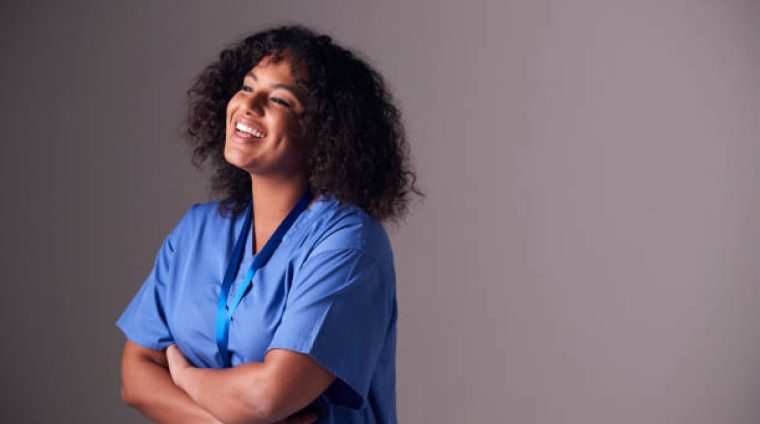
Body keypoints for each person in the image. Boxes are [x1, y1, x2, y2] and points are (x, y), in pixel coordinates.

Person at [116, 24, 420, 424]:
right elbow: (135, 378)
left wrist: (184, 377)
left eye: (280, 100)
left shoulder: (349, 244)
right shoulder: (197, 231)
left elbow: (267, 399)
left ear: (324, 133)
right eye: (246, 87)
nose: (248, 105)